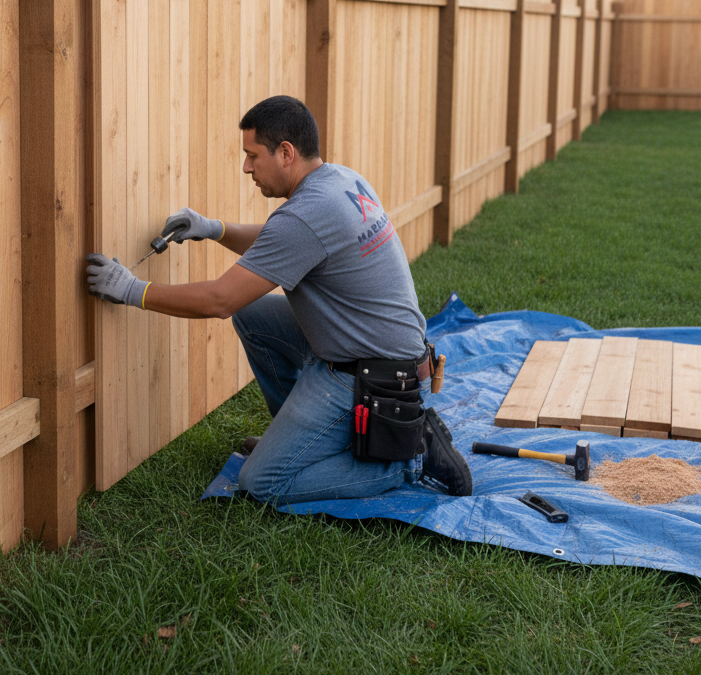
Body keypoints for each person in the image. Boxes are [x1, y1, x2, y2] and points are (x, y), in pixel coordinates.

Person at [85, 95, 472, 503]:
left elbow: (220, 300)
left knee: (262, 482)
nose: (246, 167)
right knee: (254, 315)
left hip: (374, 380)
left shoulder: (307, 214)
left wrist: (133, 290)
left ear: (286, 153)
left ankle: (408, 459)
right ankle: (305, 442)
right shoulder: (340, 180)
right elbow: (283, 242)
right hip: (383, 354)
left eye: (253, 156)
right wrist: (214, 229)